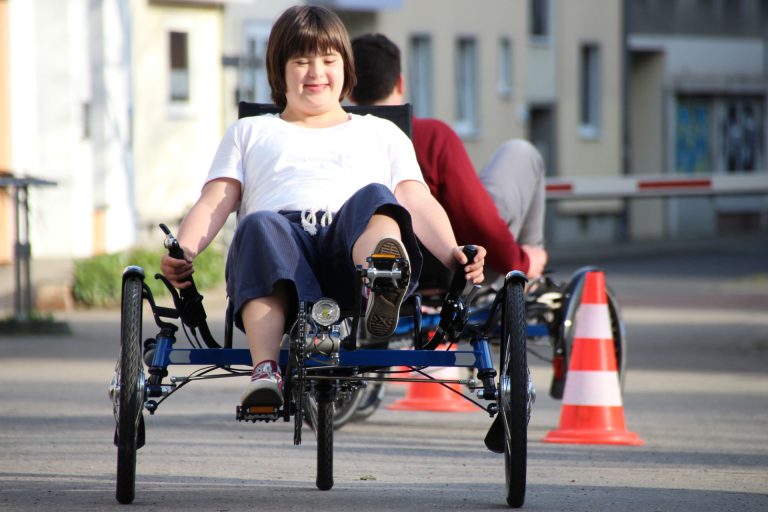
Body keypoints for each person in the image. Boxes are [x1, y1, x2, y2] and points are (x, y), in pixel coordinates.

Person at [160, 6, 485, 408]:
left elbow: (417, 200)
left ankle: (381, 281)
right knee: (260, 224)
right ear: (279, 72)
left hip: (350, 252)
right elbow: (214, 200)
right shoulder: (251, 132)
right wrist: (186, 249)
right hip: (281, 253)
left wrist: (453, 252)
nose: (316, 72)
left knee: (374, 198)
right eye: (301, 61)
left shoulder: (380, 132)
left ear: (347, 69)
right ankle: (265, 371)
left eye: (328, 60)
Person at [349, 33, 547, 284]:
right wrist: (524, 261)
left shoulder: (338, 141)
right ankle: (530, 277)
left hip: (371, 270)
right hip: (455, 271)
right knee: (521, 152)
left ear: (350, 93)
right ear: (400, 83)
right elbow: (479, 222)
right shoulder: (431, 136)